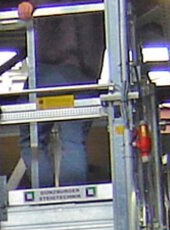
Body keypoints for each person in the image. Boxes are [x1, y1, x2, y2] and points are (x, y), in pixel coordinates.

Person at [17, 2, 105, 187]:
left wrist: (31, 4)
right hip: (86, 77)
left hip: (51, 72)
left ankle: (44, 192)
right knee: (73, 140)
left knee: (31, 138)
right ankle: (74, 195)